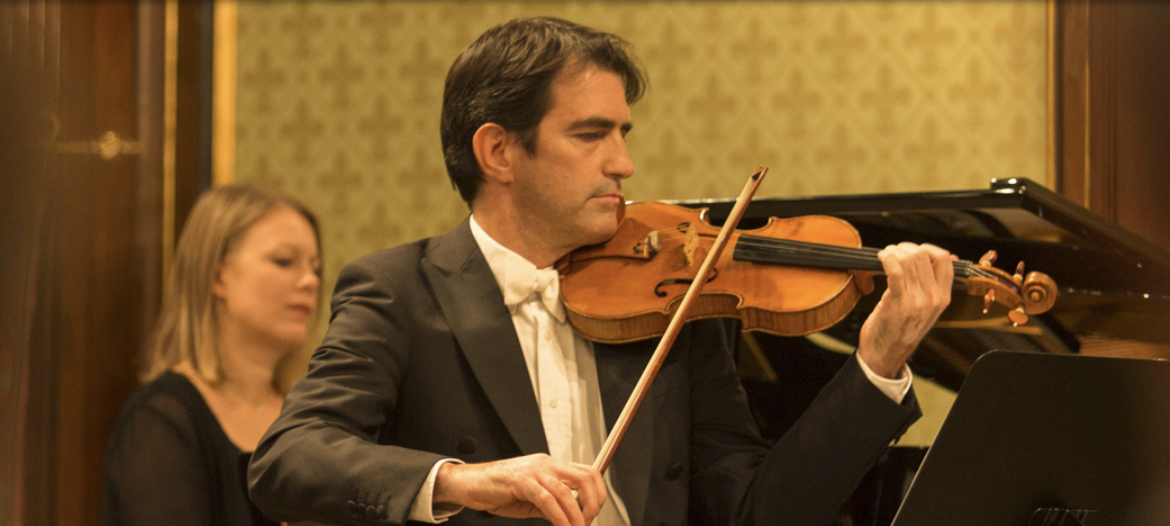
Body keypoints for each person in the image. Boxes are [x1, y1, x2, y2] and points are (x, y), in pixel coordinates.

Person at [248, 16, 954, 526]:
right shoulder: (401, 290)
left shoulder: (675, 308)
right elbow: (288, 460)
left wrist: (878, 361)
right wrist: (466, 481)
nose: (624, 163)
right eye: (590, 135)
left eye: (623, 134)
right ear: (498, 152)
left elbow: (760, 511)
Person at [102, 186, 322, 526]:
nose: (309, 281)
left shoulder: (312, 417)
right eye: (284, 261)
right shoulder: (161, 420)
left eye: (315, 267)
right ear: (218, 275)